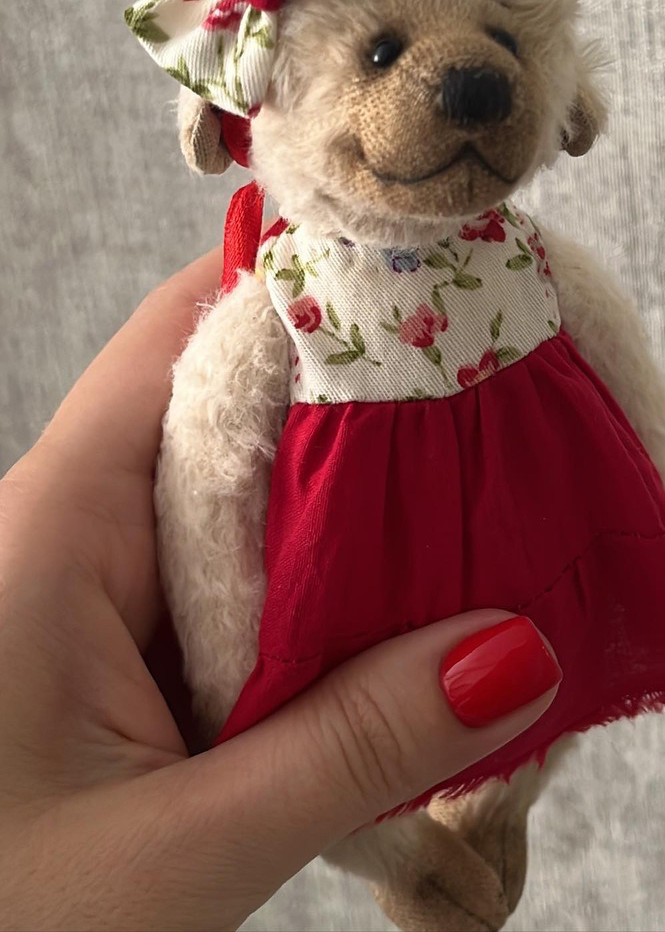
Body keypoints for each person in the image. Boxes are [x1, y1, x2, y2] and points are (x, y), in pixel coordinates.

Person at [0, 249, 561, 932]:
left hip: (520, 516)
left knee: (558, 659)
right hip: (344, 575)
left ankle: (499, 805)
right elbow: (209, 500)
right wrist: (231, 685)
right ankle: (403, 859)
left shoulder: (511, 252)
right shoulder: (277, 295)